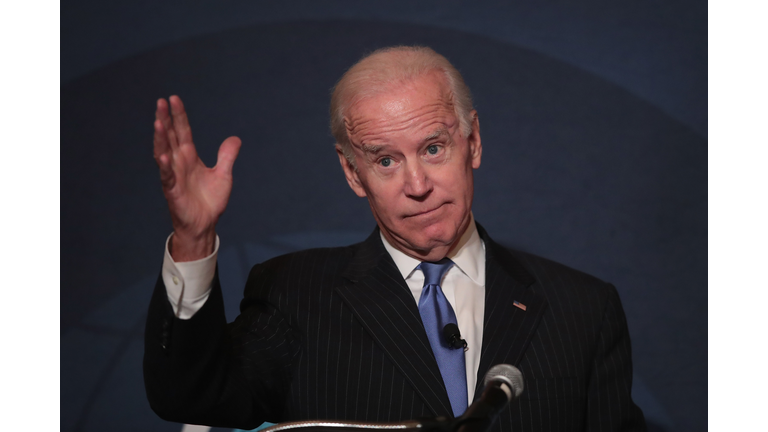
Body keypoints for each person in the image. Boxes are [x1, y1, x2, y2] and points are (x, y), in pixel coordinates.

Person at [144, 46, 647, 431]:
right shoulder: (295, 294)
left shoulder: (582, 309)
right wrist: (194, 237)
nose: (417, 185)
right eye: (385, 160)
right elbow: (190, 395)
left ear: (472, 142)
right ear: (352, 173)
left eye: (433, 148)